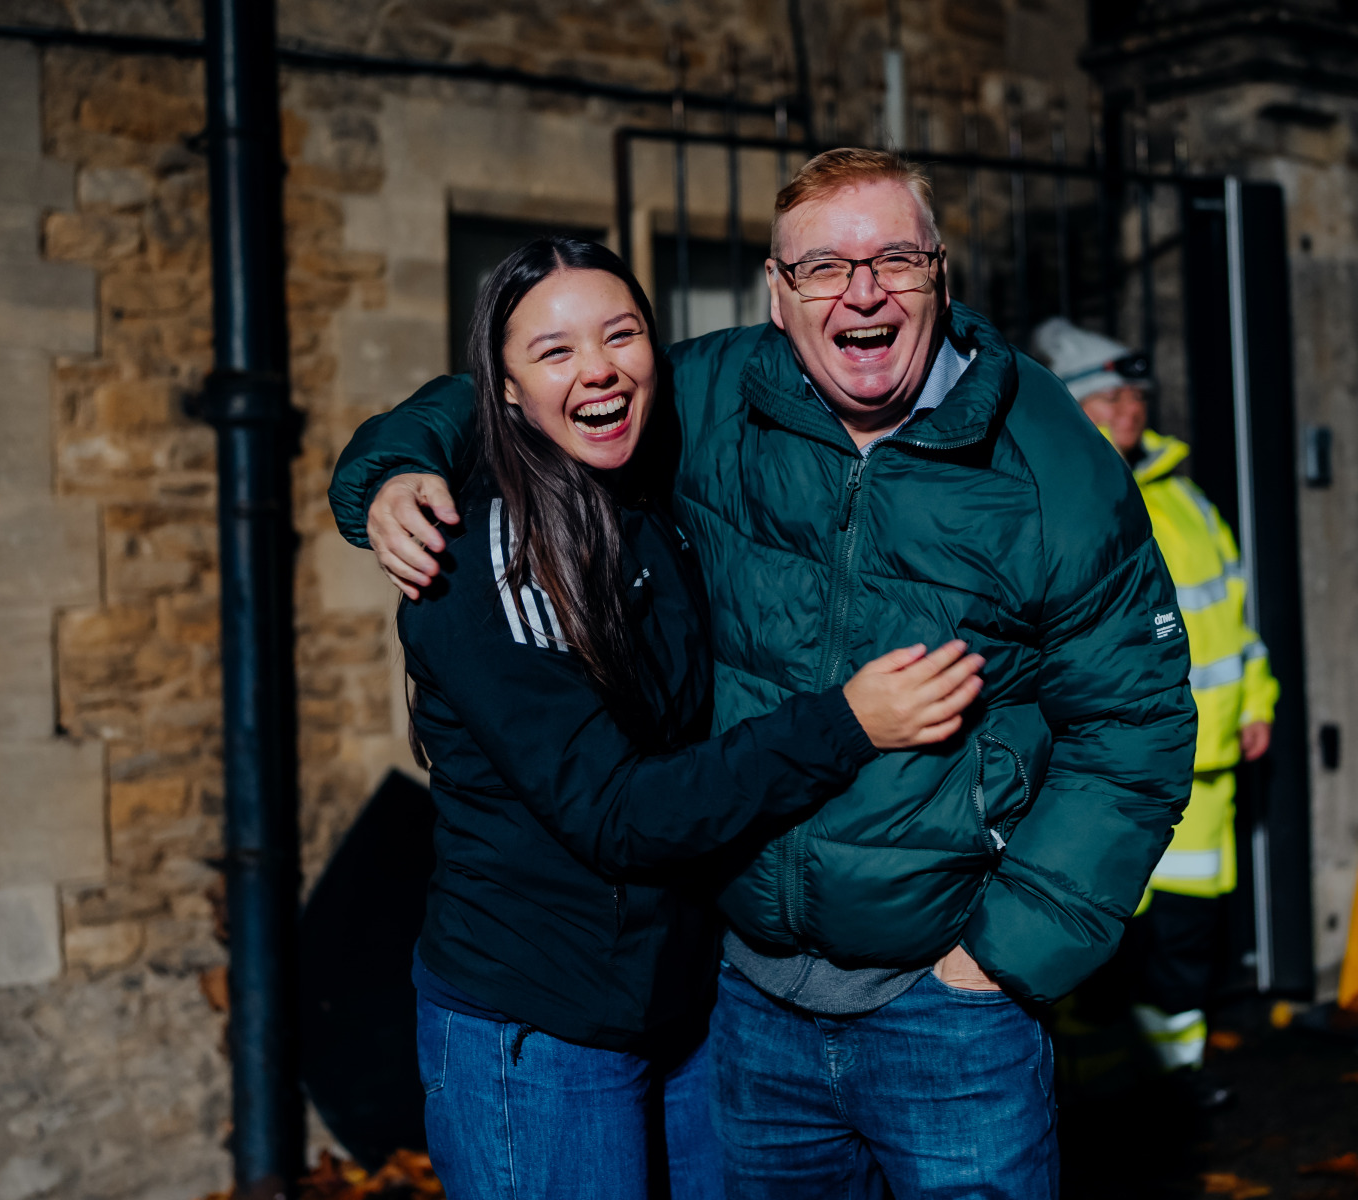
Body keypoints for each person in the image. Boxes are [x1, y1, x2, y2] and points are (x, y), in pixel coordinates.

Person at [333, 150, 1198, 1198]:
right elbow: (523, 386)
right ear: (778, 294)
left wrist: (1003, 959)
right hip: (746, 1004)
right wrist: (394, 465)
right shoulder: (714, 395)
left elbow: (1137, 723)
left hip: (945, 1012)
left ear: (940, 273)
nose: (863, 292)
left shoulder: (1050, 456)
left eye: (896, 259)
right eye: (824, 266)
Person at [398, 235, 985, 1200]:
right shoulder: (488, 557)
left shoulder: (647, 492)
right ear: (502, 389)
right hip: (538, 1030)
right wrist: (846, 723)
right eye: (554, 351)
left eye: (620, 334)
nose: (598, 368)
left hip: (678, 1005)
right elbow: (618, 813)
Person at [1033, 317, 1278, 1088]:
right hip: (1106, 766)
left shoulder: (1188, 500)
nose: (1128, 410)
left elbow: (1235, 616)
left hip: (1204, 764)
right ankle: (1093, 1084)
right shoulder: (1058, 496)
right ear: (1074, 407)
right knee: (1097, 930)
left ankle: (1178, 1074)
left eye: (1134, 396)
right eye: (1108, 398)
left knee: (1184, 933)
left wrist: (1257, 702)